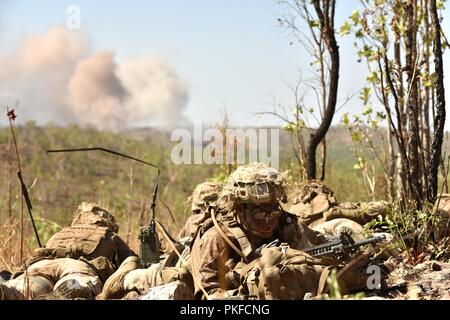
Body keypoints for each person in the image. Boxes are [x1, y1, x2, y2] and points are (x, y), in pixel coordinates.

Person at [190, 163, 336, 300]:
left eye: (273, 212)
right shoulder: (216, 239)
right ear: (240, 209)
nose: (268, 221)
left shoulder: (285, 223)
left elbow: (318, 248)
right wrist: (246, 293)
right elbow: (207, 294)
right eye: (259, 214)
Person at [31, 202, 136, 269]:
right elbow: (132, 262)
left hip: (41, 268)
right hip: (80, 274)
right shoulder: (109, 235)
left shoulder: (58, 234)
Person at [0, 256, 114, 300]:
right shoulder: (109, 235)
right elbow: (129, 259)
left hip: (38, 266)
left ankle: (6, 289)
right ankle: (65, 292)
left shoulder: (58, 236)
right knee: (75, 283)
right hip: (73, 265)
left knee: (16, 288)